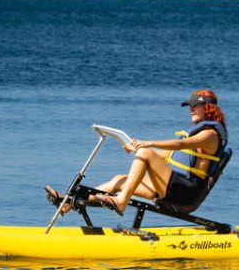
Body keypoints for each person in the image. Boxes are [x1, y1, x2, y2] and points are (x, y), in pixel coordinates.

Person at [45, 89, 228, 216]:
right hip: (173, 185)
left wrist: (148, 144)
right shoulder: (201, 131)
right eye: (189, 106)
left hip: (185, 192)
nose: (191, 110)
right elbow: (167, 156)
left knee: (146, 154)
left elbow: (180, 145)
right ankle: (68, 203)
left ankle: (121, 202)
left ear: (208, 108)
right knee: (119, 180)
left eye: (195, 106)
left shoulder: (210, 135)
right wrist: (138, 149)